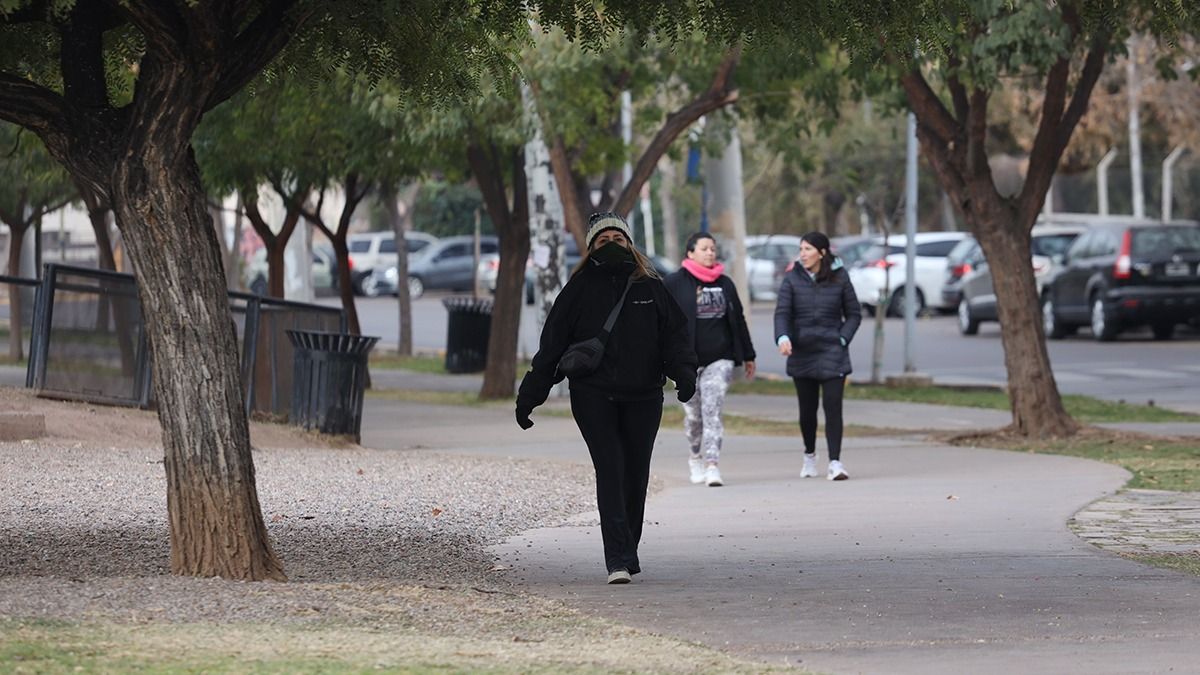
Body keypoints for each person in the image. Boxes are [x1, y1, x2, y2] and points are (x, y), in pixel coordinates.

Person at [515, 212, 697, 585]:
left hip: (644, 397)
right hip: (593, 396)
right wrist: (530, 396)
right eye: (602, 240)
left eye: (617, 238)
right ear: (591, 249)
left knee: (636, 475)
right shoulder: (579, 289)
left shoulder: (652, 288)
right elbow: (552, 347)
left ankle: (627, 548)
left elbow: (676, 339)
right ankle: (617, 557)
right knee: (611, 470)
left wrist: (685, 375)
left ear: (630, 243)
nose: (611, 244)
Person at [664, 232, 756, 487]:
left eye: (713, 249)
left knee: (712, 411)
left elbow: (738, 320)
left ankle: (713, 465)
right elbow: (660, 320)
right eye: (704, 248)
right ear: (690, 253)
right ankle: (695, 457)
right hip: (686, 363)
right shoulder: (674, 283)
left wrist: (748, 354)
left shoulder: (725, 283)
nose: (710, 253)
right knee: (694, 416)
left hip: (720, 358)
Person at [773, 231, 862, 480]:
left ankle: (835, 462)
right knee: (807, 410)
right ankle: (809, 455)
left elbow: (854, 313)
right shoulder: (792, 279)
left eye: (808, 249)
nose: (803, 253)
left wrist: (842, 338)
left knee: (833, 408)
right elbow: (782, 313)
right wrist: (783, 337)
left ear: (822, 252)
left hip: (833, 351)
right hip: (802, 352)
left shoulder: (840, 278)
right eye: (801, 249)